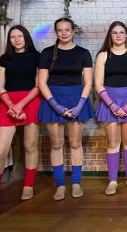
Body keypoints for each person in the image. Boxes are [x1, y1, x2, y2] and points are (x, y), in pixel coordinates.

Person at [0, 26, 41, 206]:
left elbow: (38, 85)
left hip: (30, 102)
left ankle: (28, 186)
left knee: (30, 146)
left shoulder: (37, 57)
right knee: (0, 151)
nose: (16, 39)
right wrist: (11, 105)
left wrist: (20, 105)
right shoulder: (4, 59)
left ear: (26, 37)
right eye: (12, 37)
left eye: (20, 36)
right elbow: (0, 86)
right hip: (8, 103)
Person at [37, 17, 94, 201]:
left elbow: (88, 82)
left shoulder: (83, 53)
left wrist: (80, 106)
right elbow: (41, 82)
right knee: (56, 144)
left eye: (67, 30)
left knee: (76, 143)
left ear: (73, 31)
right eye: (60, 30)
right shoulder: (47, 53)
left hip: (77, 98)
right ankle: (60, 185)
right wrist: (56, 106)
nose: (64, 33)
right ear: (56, 32)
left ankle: (76, 182)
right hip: (53, 99)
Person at [94, 21, 127, 195]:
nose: (118, 35)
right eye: (114, 33)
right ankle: (113, 181)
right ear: (110, 35)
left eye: (121, 32)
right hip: (109, 102)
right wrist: (112, 105)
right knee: (113, 143)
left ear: (126, 35)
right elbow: (98, 84)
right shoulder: (102, 56)